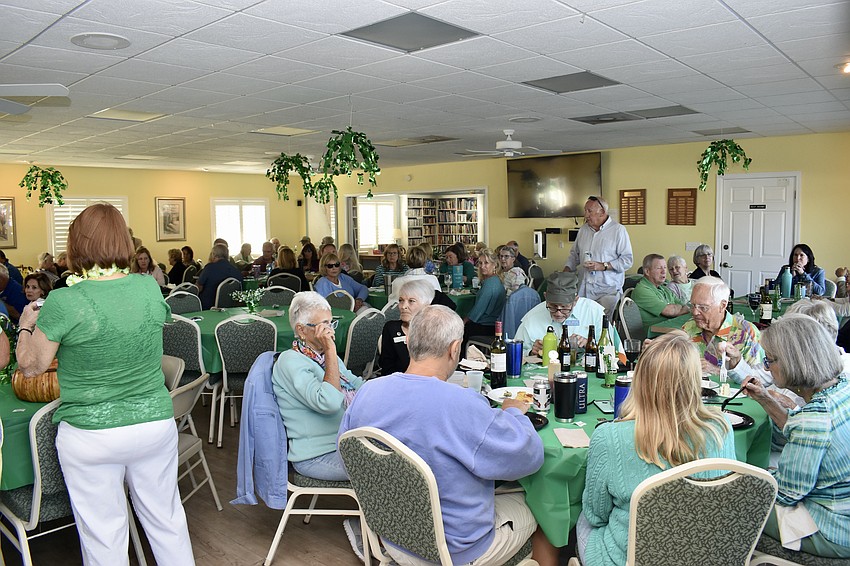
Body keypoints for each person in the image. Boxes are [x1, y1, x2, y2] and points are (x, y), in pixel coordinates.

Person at [15, 203, 193, 565]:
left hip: (91, 433)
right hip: (153, 424)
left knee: (104, 536)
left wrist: (25, 326)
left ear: (76, 244)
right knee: (167, 522)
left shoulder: (64, 300)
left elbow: (31, 367)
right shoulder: (148, 287)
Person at [340, 305, 544, 566]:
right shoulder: (462, 405)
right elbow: (529, 457)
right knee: (542, 507)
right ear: (454, 348)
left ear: (410, 342)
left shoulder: (367, 392)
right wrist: (513, 413)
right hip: (457, 549)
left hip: (393, 537)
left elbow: (349, 460)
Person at [577, 330, 735, 566]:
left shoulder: (609, 437)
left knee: (582, 518)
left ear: (640, 379)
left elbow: (596, 515)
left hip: (627, 559)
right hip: (704, 555)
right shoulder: (722, 428)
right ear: (695, 380)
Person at [742, 315, 850, 559]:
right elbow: (807, 433)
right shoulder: (843, 388)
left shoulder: (814, 420)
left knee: (730, 503)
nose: (767, 368)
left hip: (833, 529)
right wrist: (765, 399)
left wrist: (751, 476)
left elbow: (785, 495)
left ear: (792, 362)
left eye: (770, 360)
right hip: (844, 509)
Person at [273, 292, 362, 481]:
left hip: (346, 443)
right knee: (391, 470)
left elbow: (356, 384)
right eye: (324, 326)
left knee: (406, 453)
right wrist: (330, 349)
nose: (330, 332)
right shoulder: (290, 361)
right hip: (316, 456)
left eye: (331, 323)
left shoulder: (322, 357)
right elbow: (328, 403)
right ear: (302, 330)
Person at [516, 271, 624, 359]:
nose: (558, 313)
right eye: (553, 306)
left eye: (564, 307)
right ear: (545, 297)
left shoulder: (593, 312)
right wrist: (531, 352)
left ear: (575, 301)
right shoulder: (532, 318)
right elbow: (514, 354)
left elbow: (615, 352)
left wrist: (590, 345)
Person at [680, 276, 767, 381]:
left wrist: (716, 371)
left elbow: (757, 380)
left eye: (703, 307)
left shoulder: (746, 333)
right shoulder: (689, 328)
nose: (695, 312)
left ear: (722, 305)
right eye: (693, 305)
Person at [564, 196, 633, 314]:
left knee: (602, 324)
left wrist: (603, 266)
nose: (585, 215)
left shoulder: (618, 230)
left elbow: (627, 260)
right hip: (584, 291)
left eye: (589, 211)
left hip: (607, 293)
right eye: (585, 210)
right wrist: (565, 271)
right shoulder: (583, 230)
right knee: (582, 323)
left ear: (602, 212)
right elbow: (574, 255)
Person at [379, 279, 435, 376]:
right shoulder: (391, 329)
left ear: (426, 306)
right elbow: (386, 369)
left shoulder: (435, 330)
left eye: (411, 301)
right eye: (401, 300)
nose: (403, 306)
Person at [632, 254, 689, 328]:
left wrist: (678, 309)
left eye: (665, 268)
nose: (663, 271)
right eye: (659, 268)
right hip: (657, 332)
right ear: (647, 271)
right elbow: (670, 311)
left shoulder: (664, 287)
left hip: (673, 328)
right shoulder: (642, 290)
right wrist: (677, 308)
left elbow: (685, 306)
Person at [463, 248, 506, 344]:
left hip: (487, 326)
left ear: (494, 264)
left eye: (486, 263)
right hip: (493, 325)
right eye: (480, 263)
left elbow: (477, 311)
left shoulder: (490, 283)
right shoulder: (496, 279)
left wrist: (463, 321)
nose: (482, 266)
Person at [197, 244, 243, 310]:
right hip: (231, 308)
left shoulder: (209, 268)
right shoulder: (236, 271)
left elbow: (199, 288)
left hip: (208, 306)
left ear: (214, 255)